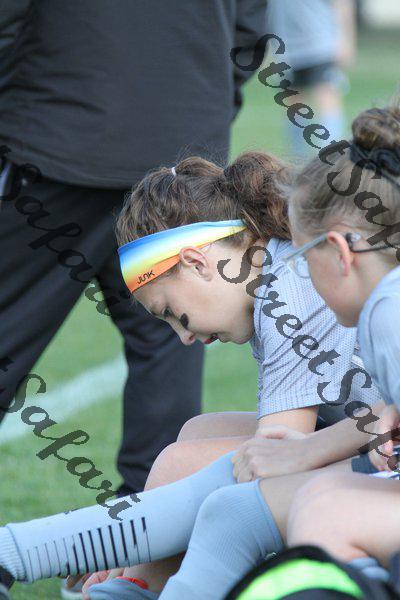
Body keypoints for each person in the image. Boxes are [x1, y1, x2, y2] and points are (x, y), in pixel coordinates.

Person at [0, 150, 384, 600]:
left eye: (170, 311)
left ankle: (90, 573)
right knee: (199, 431)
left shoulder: (285, 289)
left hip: (385, 458)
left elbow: (275, 457)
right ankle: (133, 581)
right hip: (378, 441)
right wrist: (133, 537)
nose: (182, 337)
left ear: (198, 263)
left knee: (189, 469)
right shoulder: (272, 272)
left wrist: (125, 536)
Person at [0, 0, 268, 504]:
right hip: (177, 144)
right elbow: (250, 27)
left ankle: (141, 531)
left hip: (56, 138)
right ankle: (145, 533)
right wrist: (200, 98)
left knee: (179, 327)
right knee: (172, 346)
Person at [278, 103, 400, 573]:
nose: (305, 278)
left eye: (302, 259)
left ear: (339, 250)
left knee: (324, 512)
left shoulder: (387, 312)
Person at [267, 0, 356, 158]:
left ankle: (331, 159)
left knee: (326, 95)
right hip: (286, 48)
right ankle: (297, 161)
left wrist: (346, 39)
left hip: (321, 43)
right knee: (293, 102)